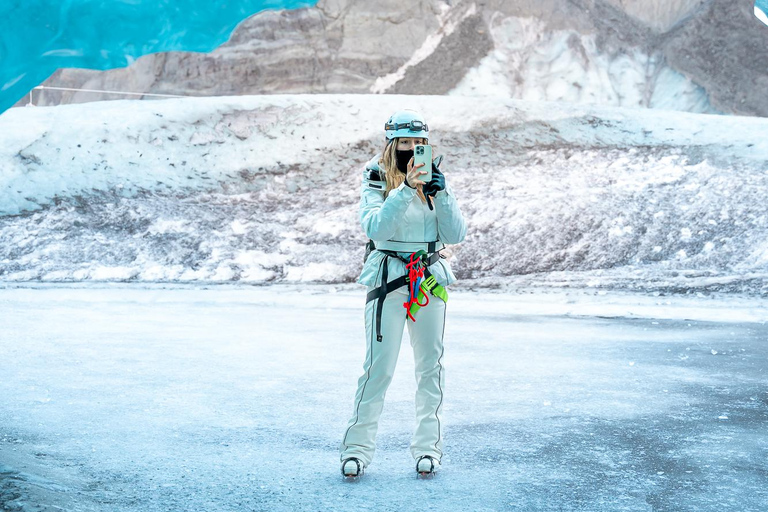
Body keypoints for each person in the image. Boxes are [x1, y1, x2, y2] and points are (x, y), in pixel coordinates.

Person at [339, 109, 467, 479]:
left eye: (419, 143)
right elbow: (376, 228)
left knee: (431, 368)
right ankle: (357, 451)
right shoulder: (377, 177)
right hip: (389, 278)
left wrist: (440, 194)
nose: (412, 150)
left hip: (429, 277)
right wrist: (406, 189)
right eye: (405, 144)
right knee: (378, 368)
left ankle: (428, 449)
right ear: (392, 145)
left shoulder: (435, 179)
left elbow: (456, 234)